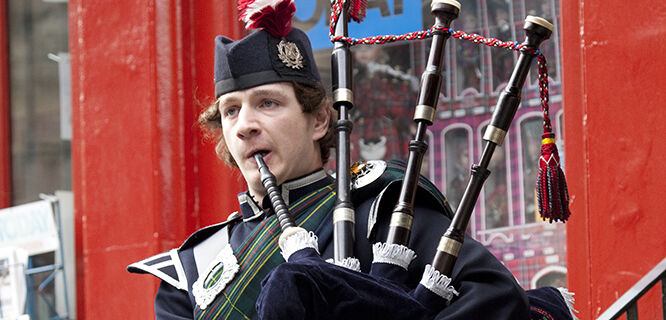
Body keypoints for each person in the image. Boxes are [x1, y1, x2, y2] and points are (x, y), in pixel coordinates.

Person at [127, 5, 533, 320]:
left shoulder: (383, 209)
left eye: (268, 103)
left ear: (320, 119)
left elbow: (495, 299)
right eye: (231, 111)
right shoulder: (193, 268)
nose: (245, 126)